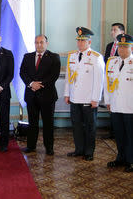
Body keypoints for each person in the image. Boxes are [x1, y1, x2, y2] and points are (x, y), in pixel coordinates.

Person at [64, 27, 104, 161]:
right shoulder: (72, 56)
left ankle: (89, 152)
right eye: (79, 40)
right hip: (75, 97)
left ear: (89, 42)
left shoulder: (96, 57)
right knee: (76, 125)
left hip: (88, 98)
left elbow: (99, 81)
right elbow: (69, 77)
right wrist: (67, 94)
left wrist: (96, 99)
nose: (80, 43)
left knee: (89, 126)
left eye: (83, 41)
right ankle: (79, 149)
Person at [20, 35, 61, 155]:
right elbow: (22, 72)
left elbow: (54, 75)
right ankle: (31, 146)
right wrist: (32, 84)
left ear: (46, 43)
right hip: (31, 95)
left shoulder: (54, 57)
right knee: (32, 122)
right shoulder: (27, 57)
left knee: (48, 123)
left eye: (41, 42)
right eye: (37, 42)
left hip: (47, 95)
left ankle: (49, 147)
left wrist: (39, 85)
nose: (39, 45)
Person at [105, 33, 133, 173]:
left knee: (130, 135)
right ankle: (120, 158)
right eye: (120, 46)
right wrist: (108, 101)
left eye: (125, 47)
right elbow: (107, 83)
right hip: (116, 105)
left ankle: (131, 161)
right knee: (119, 134)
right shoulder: (112, 62)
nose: (121, 49)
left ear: (131, 48)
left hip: (130, 107)